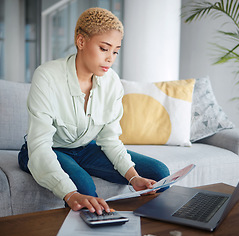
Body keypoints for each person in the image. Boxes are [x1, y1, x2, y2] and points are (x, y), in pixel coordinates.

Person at [18, 7, 169, 215]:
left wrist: (133, 177)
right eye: (104, 48)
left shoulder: (113, 82)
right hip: (47, 149)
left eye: (115, 51)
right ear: (81, 42)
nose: (110, 58)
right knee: (84, 189)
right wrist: (70, 193)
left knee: (159, 174)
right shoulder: (47, 76)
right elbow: (40, 145)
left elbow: (109, 139)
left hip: (86, 149)